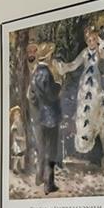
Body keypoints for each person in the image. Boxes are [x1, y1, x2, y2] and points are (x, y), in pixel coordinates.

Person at [58, 23, 104, 167]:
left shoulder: (99, 51)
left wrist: (101, 42)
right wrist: (64, 67)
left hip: (95, 86)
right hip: (84, 85)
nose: (91, 42)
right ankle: (83, 147)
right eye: (89, 40)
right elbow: (74, 64)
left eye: (94, 39)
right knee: (82, 114)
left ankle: (95, 153)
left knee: (94, 113)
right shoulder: (85, 53)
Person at [26, 41, 62, 194]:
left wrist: (38, 108)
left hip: (39, 117)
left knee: (42, 148)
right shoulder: (47, 73)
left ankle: (39, 177)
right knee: (51, 150)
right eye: (51, 54)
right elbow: (52, 94)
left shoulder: (35, 73)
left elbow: (32, 97)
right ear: (47, 56)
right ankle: (49, 184)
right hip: (50, 117)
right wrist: (59, 83)